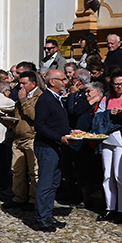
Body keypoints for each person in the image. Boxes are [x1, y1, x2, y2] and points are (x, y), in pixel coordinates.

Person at [32, 70, 73, 232]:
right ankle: (41, 218)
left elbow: (56, 122)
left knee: (54, 183)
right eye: (62, 80)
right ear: (52, 82)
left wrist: (70, 131)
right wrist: (59, 137)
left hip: (57, 146)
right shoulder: (45, 100)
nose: (65, 82)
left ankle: (48, 215)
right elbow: (40, 125)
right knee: (46, 183)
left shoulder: (56, 99)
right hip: (47, 146)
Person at [95, 72, 122, 222]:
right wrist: (108, 113)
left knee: (120, 175)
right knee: (107, 175)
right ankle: (110, 208)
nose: (119, 87)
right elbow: (98, 116)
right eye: (116, 84)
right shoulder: (107, 99)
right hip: (107, 138)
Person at [10, 71, 41, 210]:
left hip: (32, 138)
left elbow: (34, 116)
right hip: (18, 138)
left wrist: (23, 101)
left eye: (24, 83)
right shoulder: (20, 96)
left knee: (34, 171)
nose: (21, 86)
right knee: (17, 170)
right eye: (20, 83)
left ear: (33, 84)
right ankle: (18, 198)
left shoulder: (39, 97)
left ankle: (33, 200)